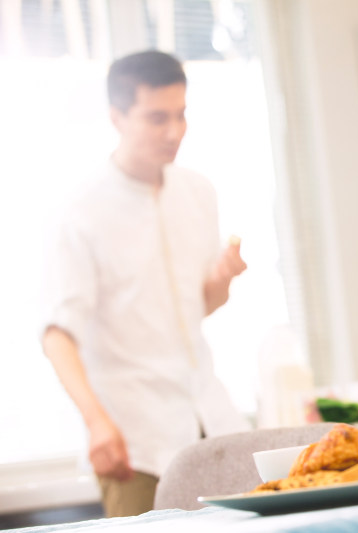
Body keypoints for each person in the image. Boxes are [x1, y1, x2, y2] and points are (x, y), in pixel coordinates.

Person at [40, 50, 251, 517]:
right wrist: (97, 424)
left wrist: (221, 279)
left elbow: (197, 306)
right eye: (157, 118)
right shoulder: (81, 212)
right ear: (117, 117)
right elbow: (58, 336)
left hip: (209, 421)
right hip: (135, 440)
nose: (174, 132)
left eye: (180, 115)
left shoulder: (198, 192)